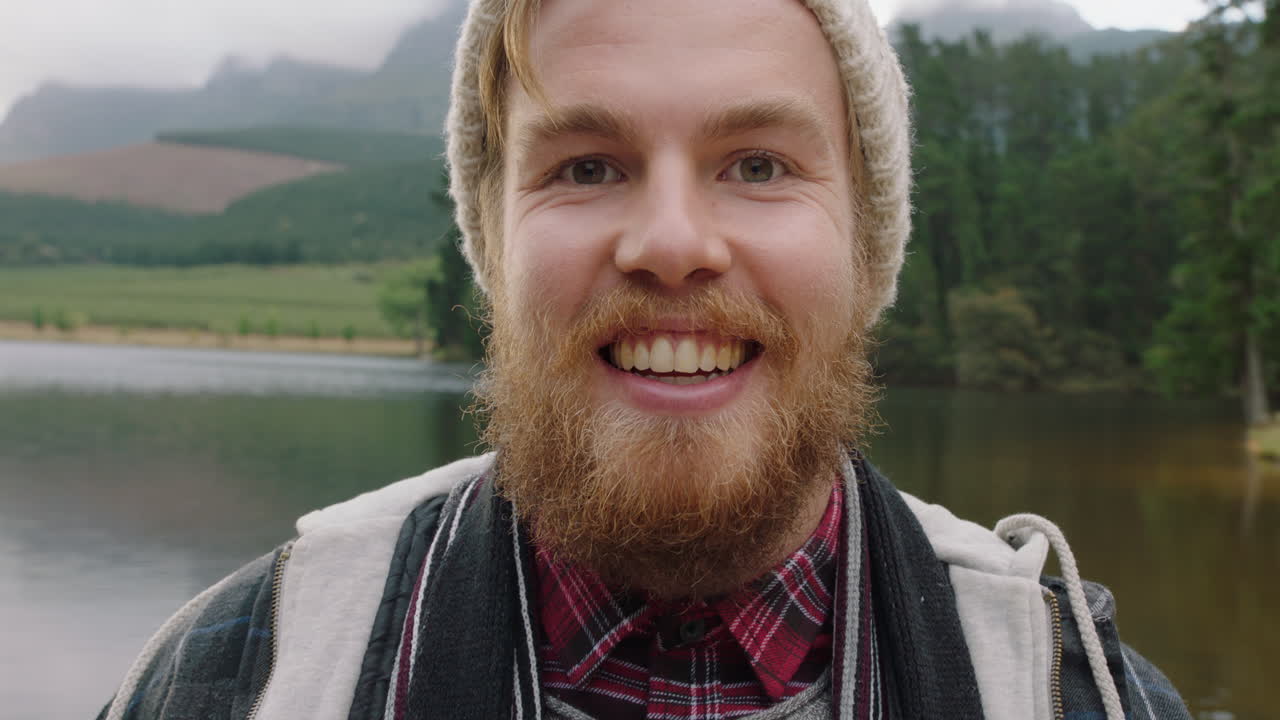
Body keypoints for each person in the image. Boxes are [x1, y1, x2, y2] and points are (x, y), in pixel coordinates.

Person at [98, 0, 1192, 718]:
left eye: (757, 165)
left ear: (866, 247)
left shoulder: (1076, 694)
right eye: (586, 167)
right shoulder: (236, 674)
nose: (671, 244)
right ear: (492, 247)